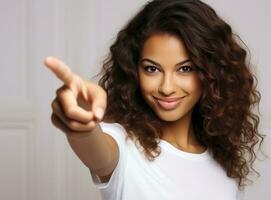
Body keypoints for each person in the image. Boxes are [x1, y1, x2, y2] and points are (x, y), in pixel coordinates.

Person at [44, 0, 266, 199]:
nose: (166, 87)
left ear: (212, 73)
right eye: (152, 69)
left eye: (185, 69)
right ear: (134, 71)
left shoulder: (225, 171)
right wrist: (81, 120)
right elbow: (94, 146)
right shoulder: (122, 148)